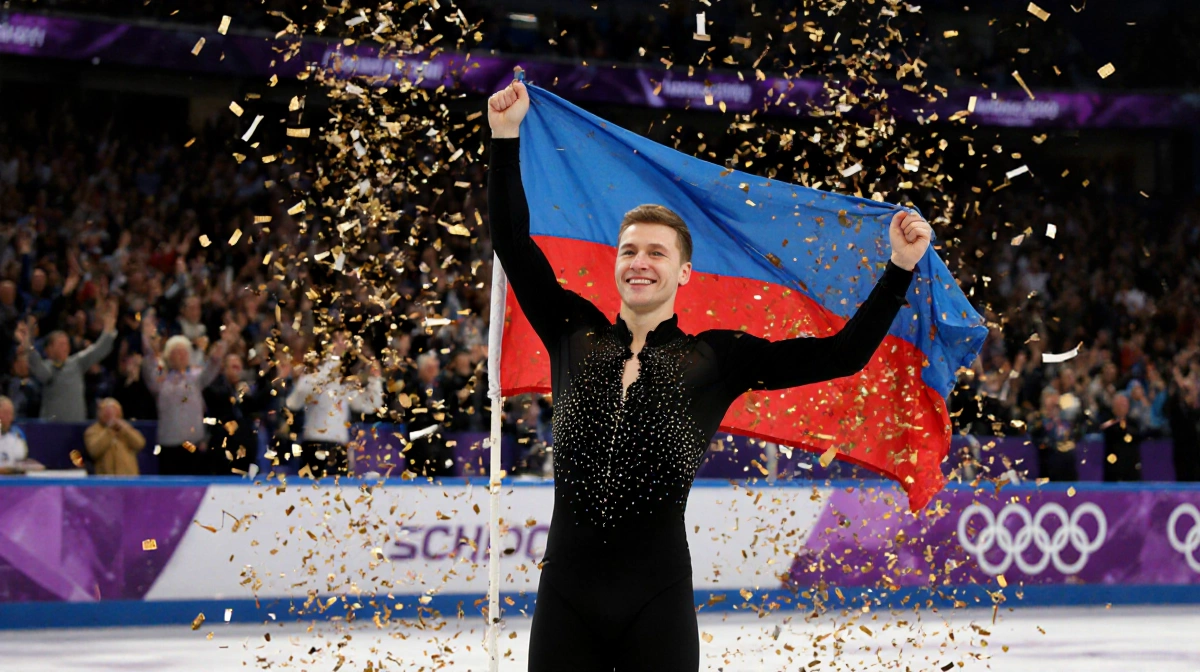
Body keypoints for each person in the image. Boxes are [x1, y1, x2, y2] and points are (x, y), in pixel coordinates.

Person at [486, 80, 927, 670]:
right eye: (629, 251)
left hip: (657, 600)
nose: (640, 262)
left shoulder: (717, 359)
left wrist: (898, 269)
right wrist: (505, 136)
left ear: (685, 272)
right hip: (566, 598)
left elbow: (839, 356)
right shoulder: (572, 330)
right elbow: (513, 244)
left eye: (657, 253)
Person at [141, 309, 233, 475]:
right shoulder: (160, 381)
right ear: (169, 356)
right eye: (176, 353)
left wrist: (221, 348)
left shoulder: (195, 377)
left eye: (184, 353)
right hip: (169, 444)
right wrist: (147, 339)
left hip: (194, 443)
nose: (180, 356)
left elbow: (211, 368)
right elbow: (148, 365)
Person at [285, 331, 384, 478]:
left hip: (339, 449)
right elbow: (293, 403)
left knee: (338, 500)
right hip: (314, 446)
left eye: (344, 342)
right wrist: (334, 360)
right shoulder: (311, 378)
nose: (343, 346)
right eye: (338, 342)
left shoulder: (345, 383)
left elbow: (370, 406)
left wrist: (375, 380)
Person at [17, 300, 118, 422]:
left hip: (76, 427)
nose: (65, 347)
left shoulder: (77, 363)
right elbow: (42, 373)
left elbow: (98, 350)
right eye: (60, 344)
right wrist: (28, 344)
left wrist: (109, 326)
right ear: (49, 349)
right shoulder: (48, 366)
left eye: (66, 344)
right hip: (52, 428)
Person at [84, 398, 146, 476]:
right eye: (107, 413)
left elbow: (140, 444)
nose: (111, 416)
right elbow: (94, 451)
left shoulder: (126, 428)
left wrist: (125, 430)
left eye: (114, 412)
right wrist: (109, 431)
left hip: (128, 478)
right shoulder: (93, 431)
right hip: (105, 478)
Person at [0, 396, 33, 474]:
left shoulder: (16, 436)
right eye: (5, 413)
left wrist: (30, 465)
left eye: (11, 414)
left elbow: (20, 461)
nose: (9, 418)